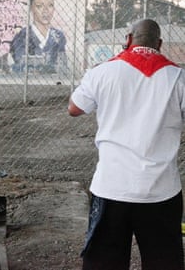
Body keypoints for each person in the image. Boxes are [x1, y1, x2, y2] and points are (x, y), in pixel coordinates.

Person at [68, 19, 185, 270]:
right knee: (164, 261)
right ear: (160, 44)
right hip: (160, 190)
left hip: (112, 187)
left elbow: (74, 108)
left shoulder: (103, 71)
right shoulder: (178, 77)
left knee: (103, 263)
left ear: (128, 39)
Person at [9, 0, 66, 73]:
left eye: (50, 5)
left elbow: (62, 65)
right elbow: (19, 64)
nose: (46, 11)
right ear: (31, 8)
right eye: (40, 6)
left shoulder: (58, 36)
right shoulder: (22, 37)